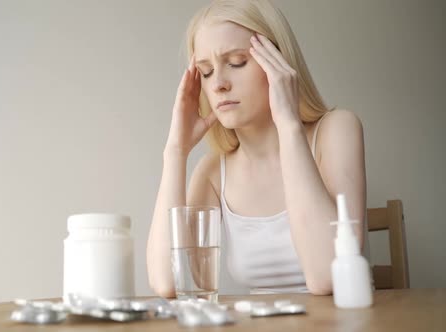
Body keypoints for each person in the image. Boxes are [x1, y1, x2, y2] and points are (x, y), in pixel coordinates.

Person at [147, 0, 366, 297]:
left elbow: (326, 276)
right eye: (207, 71)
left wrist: (288, 125)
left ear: (277, 62)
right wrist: (175, 152)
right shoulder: (213, 172)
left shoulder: (337, 130)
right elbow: (169, 282)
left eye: (237, 61)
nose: (219, 84)